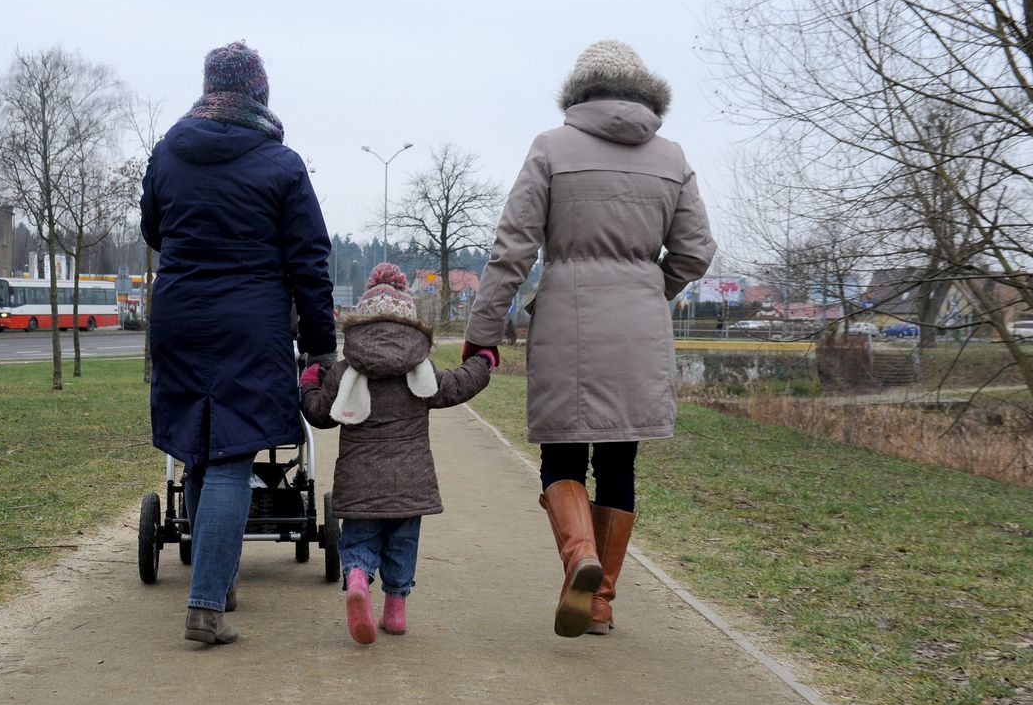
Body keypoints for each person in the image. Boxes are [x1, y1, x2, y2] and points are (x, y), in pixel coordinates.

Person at [463, 40, 716, 638]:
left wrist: (483, 332)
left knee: (562, 455)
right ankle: (600, 603)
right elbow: (697, 251)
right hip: (639, 328)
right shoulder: (673, 158)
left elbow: (512, 251)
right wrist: (651, 289)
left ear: (579, 91)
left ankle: (580, 558)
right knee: (619, 462)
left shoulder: (551, 148)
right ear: (645, 91)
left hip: (567, 325)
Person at [141, 41, 336, 646]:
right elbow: (310, 261)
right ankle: (206, 603)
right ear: (260, 93)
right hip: (250, 321)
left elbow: (153, 228)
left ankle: (218, 579)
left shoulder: (168, 153)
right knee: (229, 456)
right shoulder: (281, 164)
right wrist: (321, 345)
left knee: (197, 449)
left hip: (178, 313)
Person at [301, 264, 493, 645]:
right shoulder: (420, 373)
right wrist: (483, 361)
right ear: (410, 327)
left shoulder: (344, 372)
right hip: (411, 483)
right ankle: (395, 611)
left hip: (359, 484)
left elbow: (320, 415)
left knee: (359, 540)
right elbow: (458, 385)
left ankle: (357, 578)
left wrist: (308, 382)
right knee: (402, 543)